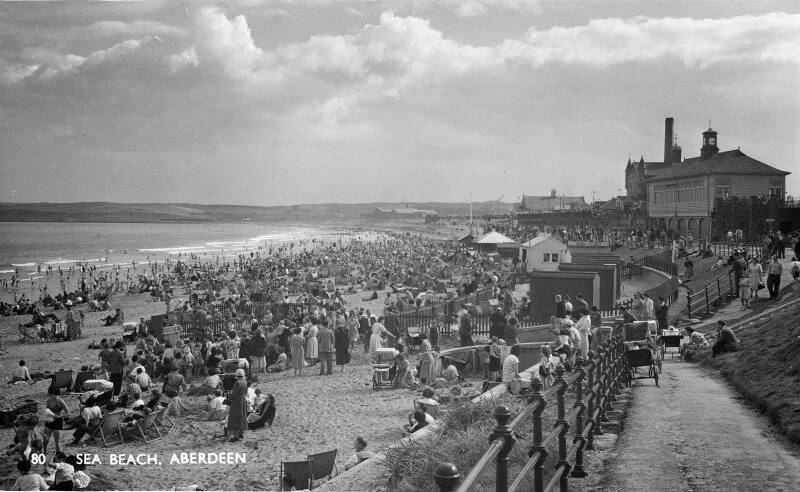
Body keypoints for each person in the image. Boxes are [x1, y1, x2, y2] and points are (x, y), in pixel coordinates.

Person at [43, 386, 70, 456]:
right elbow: (47, 411)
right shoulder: (49, 401)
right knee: (45, 440)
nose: (48, 395)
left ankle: (58, 455)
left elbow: (68, 413)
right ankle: (44, 452)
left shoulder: (60, 401)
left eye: (49, 394)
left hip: (57, 422)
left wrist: (61, 417)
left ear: (53, 394)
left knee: (57, 442)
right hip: (49, 421)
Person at [227, 369, 248, 442]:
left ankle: (236, 436)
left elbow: (234, 394)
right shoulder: (245, 382)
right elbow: (246, 392)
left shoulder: (237, 383)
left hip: (237, 402)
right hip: (243, 400)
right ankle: (241, 432)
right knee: (242, 416)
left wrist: (228, 397)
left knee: (235, 417)